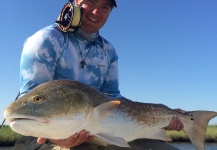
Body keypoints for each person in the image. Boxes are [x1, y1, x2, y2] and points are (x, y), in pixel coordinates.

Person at [14, 0, 184, 149]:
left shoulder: (108, 51)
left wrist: (161, 119)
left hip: (94, 132)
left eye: (105, 6)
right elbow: (33, 103)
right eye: (91, 1)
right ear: (74, 2)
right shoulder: (45, 40)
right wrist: (57, 137)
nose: (96, 12)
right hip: (39, 135)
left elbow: (113, 99)